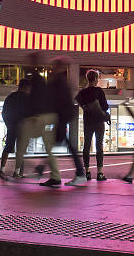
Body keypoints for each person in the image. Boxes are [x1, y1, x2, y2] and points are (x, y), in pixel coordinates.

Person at [48, 57, 87, 186]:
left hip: (61, 116)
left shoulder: (58, 80)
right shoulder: (62, 79)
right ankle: (78, 173)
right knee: (61, 144)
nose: (52, 68)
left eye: (55, 65)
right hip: (63, 115)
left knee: (54, 144)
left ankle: (60, 176)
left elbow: (56, 99)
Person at [75, 69, 109, 181]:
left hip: (88, 121)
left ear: (87, 79)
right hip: (99, 122)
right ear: (95, 79)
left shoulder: (82, 92)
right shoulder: (99, 91)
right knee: (99, 146)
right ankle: (100, 173)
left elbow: (79, 102)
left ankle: (87, 172)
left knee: (86, 145)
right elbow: (105, 106)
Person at [0, 79, 32, 178]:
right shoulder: (28, 98)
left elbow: (4, 112)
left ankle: (2, 170)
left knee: (7, 148)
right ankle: (17, 172)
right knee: (20, 150)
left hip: (11, 126)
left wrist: (8, 124)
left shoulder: (10, 97)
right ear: (26, 87)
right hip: (23, 127)